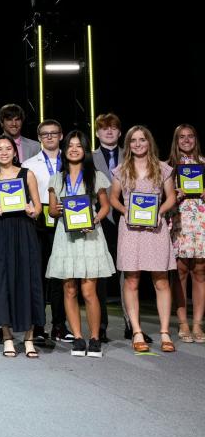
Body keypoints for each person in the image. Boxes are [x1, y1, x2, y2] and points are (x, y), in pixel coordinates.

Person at [44, 130, 116, 358]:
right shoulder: (56, 179)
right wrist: (57, 210)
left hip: (90, 236)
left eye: (79, 145)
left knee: (88, 290)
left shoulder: (94, 176)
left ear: (85, 150)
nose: (74, 149)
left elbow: (105, 206)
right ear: (65, 150)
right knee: (70, 288)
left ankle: (94, 337)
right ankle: (77, 337)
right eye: (70, 146)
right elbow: (53, 211)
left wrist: (94, 220)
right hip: (65, 238)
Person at [109, 125, 177, 353]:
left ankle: (165, 332)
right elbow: (113, 199)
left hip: (155, 230)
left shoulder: (163, 168)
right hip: (130, 230)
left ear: (149, 142)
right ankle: (136, 331)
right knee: (131, 281)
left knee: (162, 281)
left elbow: (171, 198)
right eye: (133, 141)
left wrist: (159, 212)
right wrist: (125, 210)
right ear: (128, 145)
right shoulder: (121, 169)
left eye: (142, 140)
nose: (138, 144)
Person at [0, 135, 44, 358]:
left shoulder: (27, 175)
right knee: (0, 282)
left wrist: (31, 210)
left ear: (15, 153)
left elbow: (38, 208)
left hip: (24, 232)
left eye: (8, 149)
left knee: (29, 280)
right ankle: (6, 336)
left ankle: (29, 338)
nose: (4, 152)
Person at [21, 119, 67, 347]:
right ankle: (38, 325)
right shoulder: (28, 164)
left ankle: (60, 324)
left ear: (61, 136)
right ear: (39, 138)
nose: (49, 137)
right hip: (38, 224)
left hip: (67, 222)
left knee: (60, 276)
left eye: (53, 133)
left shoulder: (71, 160)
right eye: (44, 134)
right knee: (38, 275)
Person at [91, 112, 132, 342]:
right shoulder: (90, 157)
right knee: (102, 274)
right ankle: (102, 327)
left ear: (119, 132)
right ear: (97, 133)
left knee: (129, 274)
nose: (109, 131)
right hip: (102, 219)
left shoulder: (131, 154)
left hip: (130, 218)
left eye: (113, 128)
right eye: (104, 128)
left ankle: (131, 325)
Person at [168, 124, 205, 344]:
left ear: (195, 139)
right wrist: (174, 194)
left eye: (190, 136)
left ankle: (198, 323)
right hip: (179, 220)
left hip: (200, 221)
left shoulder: (204, 163)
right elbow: (159, 196)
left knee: (200, 271)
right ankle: (182, 322)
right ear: (176, 140)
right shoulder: (168, 166)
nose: (186, 140)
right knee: (180, 270)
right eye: (182, 137)